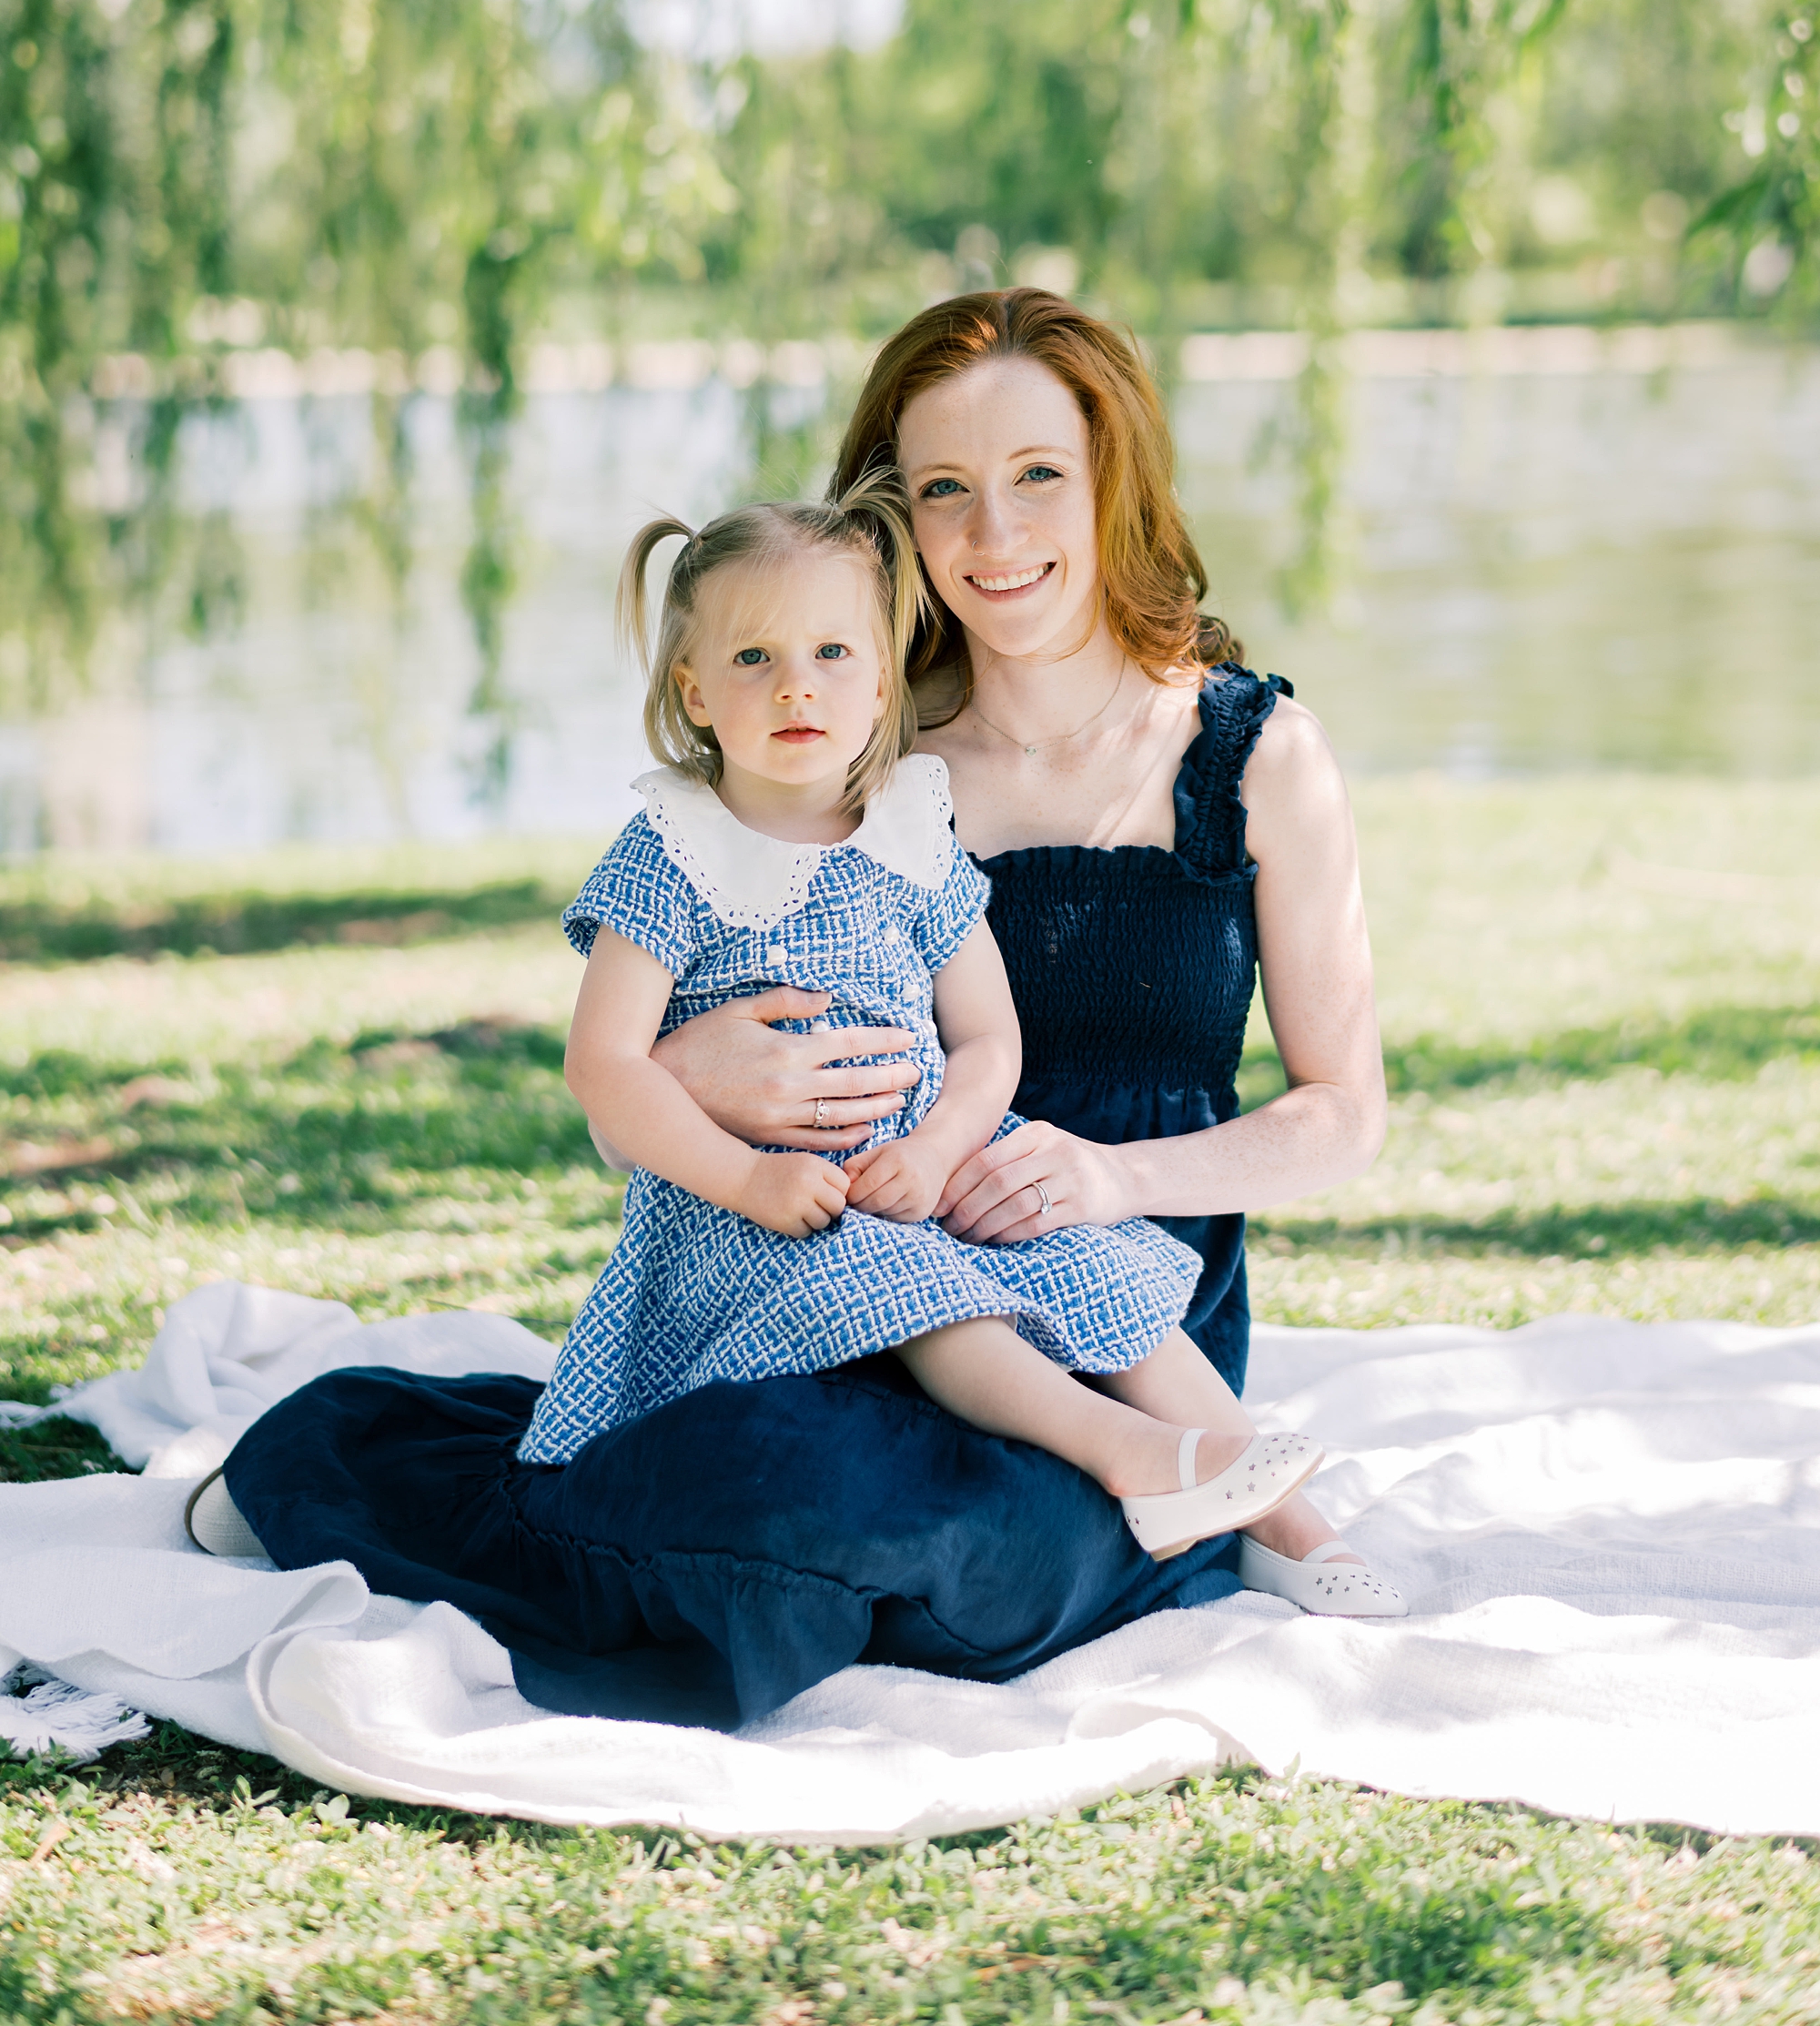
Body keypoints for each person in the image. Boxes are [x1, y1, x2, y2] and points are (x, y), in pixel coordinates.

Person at [213, 289, 1401, 1731]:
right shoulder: (840, 755)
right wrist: (697, 1075)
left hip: (1120, 1289)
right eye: (947, 491)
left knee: (994, 1549)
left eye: (1040, 478)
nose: (996, 534)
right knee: (779, 1476)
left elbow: (1345, 1115)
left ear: (1115, 481)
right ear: (895, 524)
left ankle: (1196, 1496)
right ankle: (374, 1464)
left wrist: (1108, 1174)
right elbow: (638, 1087)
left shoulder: (1251, 753)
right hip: (848, 1249)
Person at [523, 484, 1322, 1557]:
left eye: (832, 653)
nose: (795, 684)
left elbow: (989, 1038)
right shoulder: (671, 851)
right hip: (762, 1204)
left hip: (922, 1163)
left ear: (882, 677)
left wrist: (940, 1144)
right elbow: (605, 1068)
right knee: (916, 1284)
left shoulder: (910, 833)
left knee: (1090, 1262)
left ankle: (1295, 1528)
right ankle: (1127, 1454)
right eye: (752, 658)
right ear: (694, 687)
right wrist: (747, 1176)